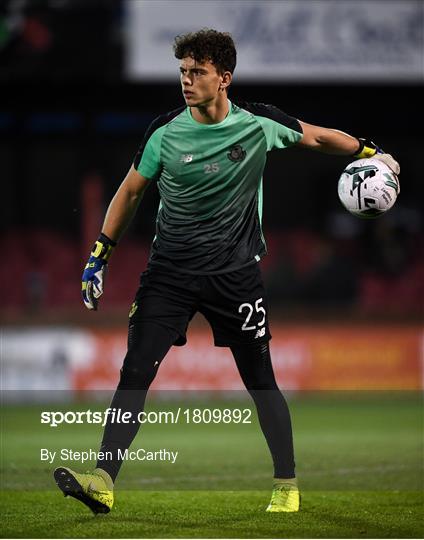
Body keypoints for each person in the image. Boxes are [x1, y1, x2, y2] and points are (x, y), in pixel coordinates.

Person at [53, 28, 400, 514]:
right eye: (182, 72)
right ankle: (102, 480)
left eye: (197, 72)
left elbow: (318, 136)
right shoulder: (164, 131)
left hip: (234, 275)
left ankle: (286, 484)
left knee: (261, 380)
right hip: (168, 274)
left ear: (224, 78)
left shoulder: (258, 124)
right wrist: (99, 254)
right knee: (135, 370)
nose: (186, 81)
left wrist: (368, 152)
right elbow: (130, 191)